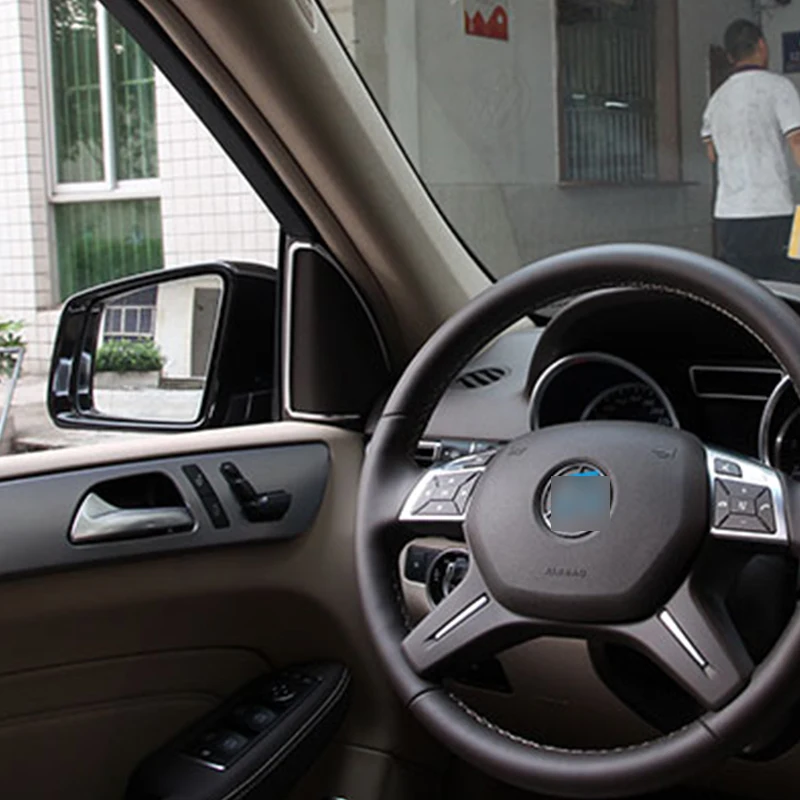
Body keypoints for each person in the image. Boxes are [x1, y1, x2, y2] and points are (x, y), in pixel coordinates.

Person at [702, 19, 800, 281]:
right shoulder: (779, 87)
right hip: (772, 211)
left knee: (743, 289)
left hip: (728, 216)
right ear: (762, 45)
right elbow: (797, 142)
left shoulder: (717, 99)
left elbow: (711, 154)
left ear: (730, 56)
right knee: (784, 286)